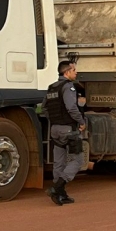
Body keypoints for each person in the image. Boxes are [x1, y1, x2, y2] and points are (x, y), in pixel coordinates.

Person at [44, 60, 87, 205]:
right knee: (78, 160)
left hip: (55, 129)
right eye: (74, 70)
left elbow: (44, 109)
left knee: (59, 162)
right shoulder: (68, 87)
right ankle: (57, 187)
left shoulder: (51, 88)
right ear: (67, 72)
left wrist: (55, 122)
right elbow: (71, 108)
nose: (76, 72)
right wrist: (81, 122)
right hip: (69, 129)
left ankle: (60, 195)